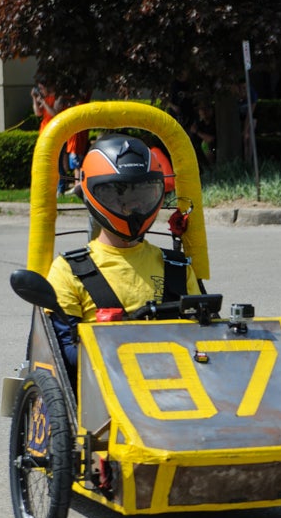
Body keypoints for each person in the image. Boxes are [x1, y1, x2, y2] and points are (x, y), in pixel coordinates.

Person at [46, 134, 199, 374]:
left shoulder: (177, 267)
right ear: (93, 195)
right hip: (105, 396)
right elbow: (65, 353)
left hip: (179, 392)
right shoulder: (69, 270)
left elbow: (204, 338)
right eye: (119, 196)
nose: (132, 207)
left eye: (142, 194)